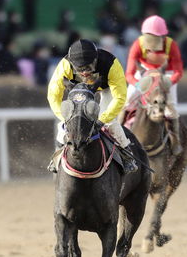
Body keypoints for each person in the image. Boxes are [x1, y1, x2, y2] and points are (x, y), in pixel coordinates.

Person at [47, 38, 138, 173]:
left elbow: (119, 98)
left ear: (96, 60)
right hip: (78, 89)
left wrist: (102, 121)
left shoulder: (111, 64)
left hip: (106, 88)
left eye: (88, 67)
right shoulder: (65, 66)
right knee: (66, 123)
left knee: (110, 123)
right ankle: (57, 154)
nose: (84, 72)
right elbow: (53, 96)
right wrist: (65, 118)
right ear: (72, 64)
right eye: (79, 69)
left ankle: (127, 154)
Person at [124, 15, 184, 155]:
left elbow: (178, 71)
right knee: (126, 102)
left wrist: (170, 81)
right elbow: (129, 74)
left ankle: (175, 139)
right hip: (145, 73)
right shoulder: (137, 44)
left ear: (163, 36)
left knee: (170, 107)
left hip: (166, 74)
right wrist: (139, 85)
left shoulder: (171, 45)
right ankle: (118, 136)